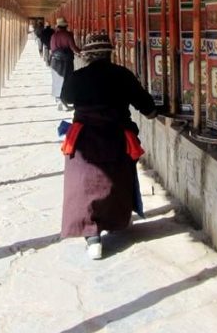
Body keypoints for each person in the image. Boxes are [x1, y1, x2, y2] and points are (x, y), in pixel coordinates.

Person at [59, 33, 157, 259]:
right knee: (115, 182)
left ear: (89, 55)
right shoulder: (122, 75)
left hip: (84, 138)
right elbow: (147, 106)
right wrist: (153, 111)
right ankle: (112, 222)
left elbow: (66, 99)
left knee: (83, 186)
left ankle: (91, 235)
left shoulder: (78, 76)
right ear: (109, 53)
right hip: (115, 137)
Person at [49, 17, 79, 110]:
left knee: (57, 80)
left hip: (55, 61)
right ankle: (65, 101)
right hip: (66, 62)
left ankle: (58, 100)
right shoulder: (68, 35)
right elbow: (74, 48)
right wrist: (81, 52)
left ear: (58, 26)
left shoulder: (54, 36)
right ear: (66, 26)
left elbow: (52, 49)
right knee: (66, 81)